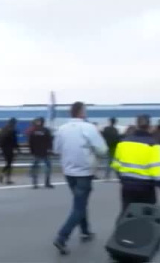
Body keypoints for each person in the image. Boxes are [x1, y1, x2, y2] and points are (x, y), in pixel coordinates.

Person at [52, 102, 108, 255]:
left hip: (69, 172)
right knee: (79, 206)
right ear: (81, 112)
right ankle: (62, 237)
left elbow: (56, 149)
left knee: (80, 203)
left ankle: (85, 232)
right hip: (84, 172)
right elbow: (103, 149)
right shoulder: (88, 128)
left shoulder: (61, 129)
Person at [111, 115, 160, 219]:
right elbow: (159, 175)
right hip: (146, 189)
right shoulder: (154, 146)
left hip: (127, 187)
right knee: (146, 216)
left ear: (137, 125)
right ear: (149, 126)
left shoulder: (123, 144)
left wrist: (123, 180)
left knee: (126, 214)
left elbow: (116, 166)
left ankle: (120, 234)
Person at [0, 118, 21, 185]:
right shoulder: (12, 130)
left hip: (2, 148)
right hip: (9, 149)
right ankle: (6, 178)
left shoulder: (3, 128)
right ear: (14, 123)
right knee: (9, 164)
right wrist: (18, 149)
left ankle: (4, 176)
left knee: (8, 163)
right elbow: (14, 141)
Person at [28, 117, 53, 189]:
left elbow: (30, 142)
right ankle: (47, 182)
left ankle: (35, 183)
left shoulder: (34, 131)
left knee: (35, 167)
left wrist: (31, 151)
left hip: (36, 152)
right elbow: (50, 141)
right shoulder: (46, 130)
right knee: (48, 166)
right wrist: (50, 149)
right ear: (44, 122)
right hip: (45, 152)